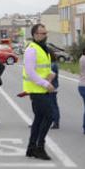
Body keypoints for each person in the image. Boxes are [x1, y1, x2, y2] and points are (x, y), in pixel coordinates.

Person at [23, 24, 57, 160]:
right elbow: (31, 72)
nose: (45, 35)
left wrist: (51, 74)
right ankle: (39, 147)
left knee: (39, 119)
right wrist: (45, 83)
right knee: (50, 116)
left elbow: (43, 68)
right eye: (42, 33)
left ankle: (31, 148)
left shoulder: (43, 49)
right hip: (37, 90)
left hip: (42, 89)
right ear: (35, 35)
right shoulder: (32, 50)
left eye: (45, 32)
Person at [48, 55, 61, 129]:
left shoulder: (52, 65)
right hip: (51, 86)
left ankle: (56, 122)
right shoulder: (51, 64)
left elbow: (50, 76)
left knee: (52, 105)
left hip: (51, 87)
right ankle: (54, 121)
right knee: (51, 105)